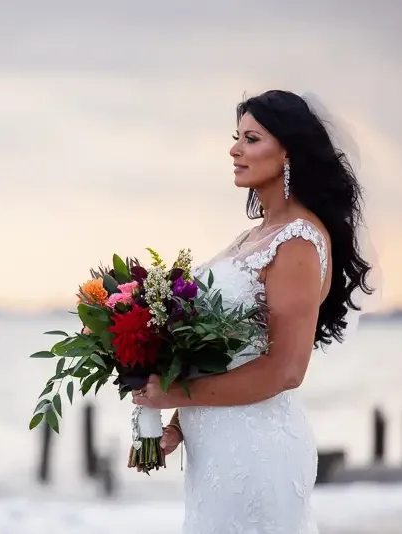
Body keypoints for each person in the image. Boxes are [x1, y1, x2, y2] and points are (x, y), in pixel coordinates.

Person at [131, 89, 375, 533]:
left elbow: (284, 370)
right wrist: (176, 424)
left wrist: (172, 395)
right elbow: (226, 355)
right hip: (216, 457)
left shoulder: (297, 242)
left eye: (251, 139)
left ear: (288, 153)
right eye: (236, 137)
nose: (235, 149)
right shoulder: (254, 237)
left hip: (259, 454)